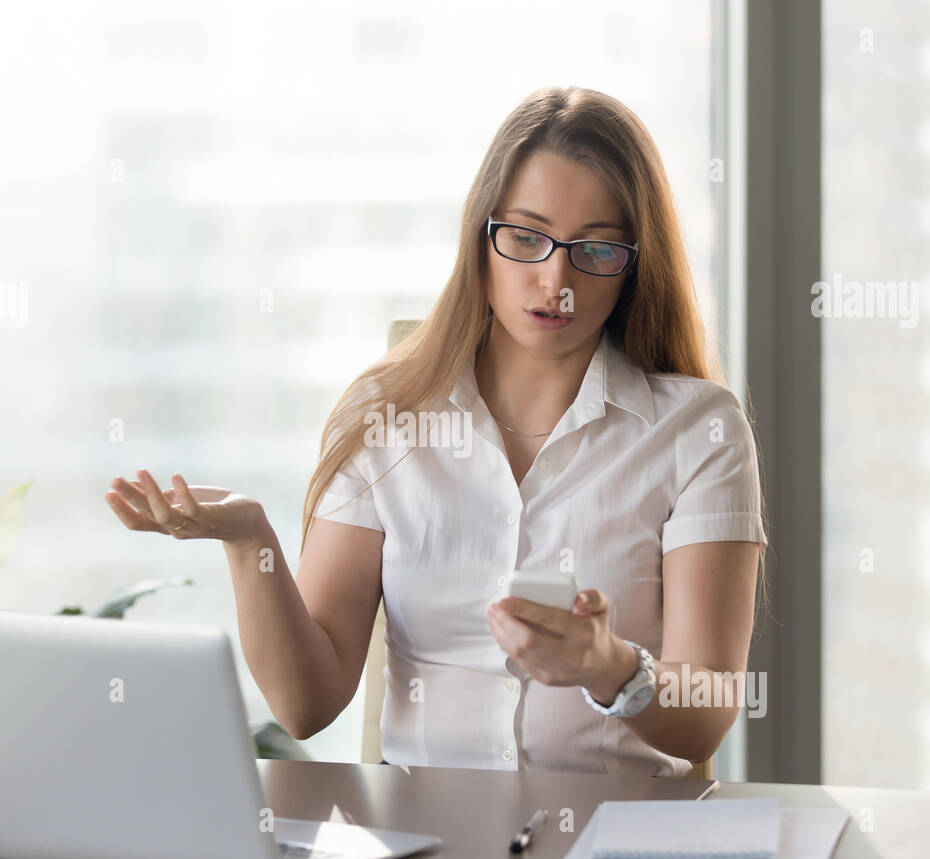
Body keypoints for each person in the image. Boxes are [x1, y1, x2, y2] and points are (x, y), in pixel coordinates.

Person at [105, 86, 769, 777]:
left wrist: (608, 667)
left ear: (634, 264)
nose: (555, 280)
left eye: (596, 250)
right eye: (525, 237)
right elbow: (307, 705)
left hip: (618, 835)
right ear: (480, 238)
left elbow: (709, 710)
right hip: (427, 837)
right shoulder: (385, 416)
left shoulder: (698, 430)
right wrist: (250, 543)